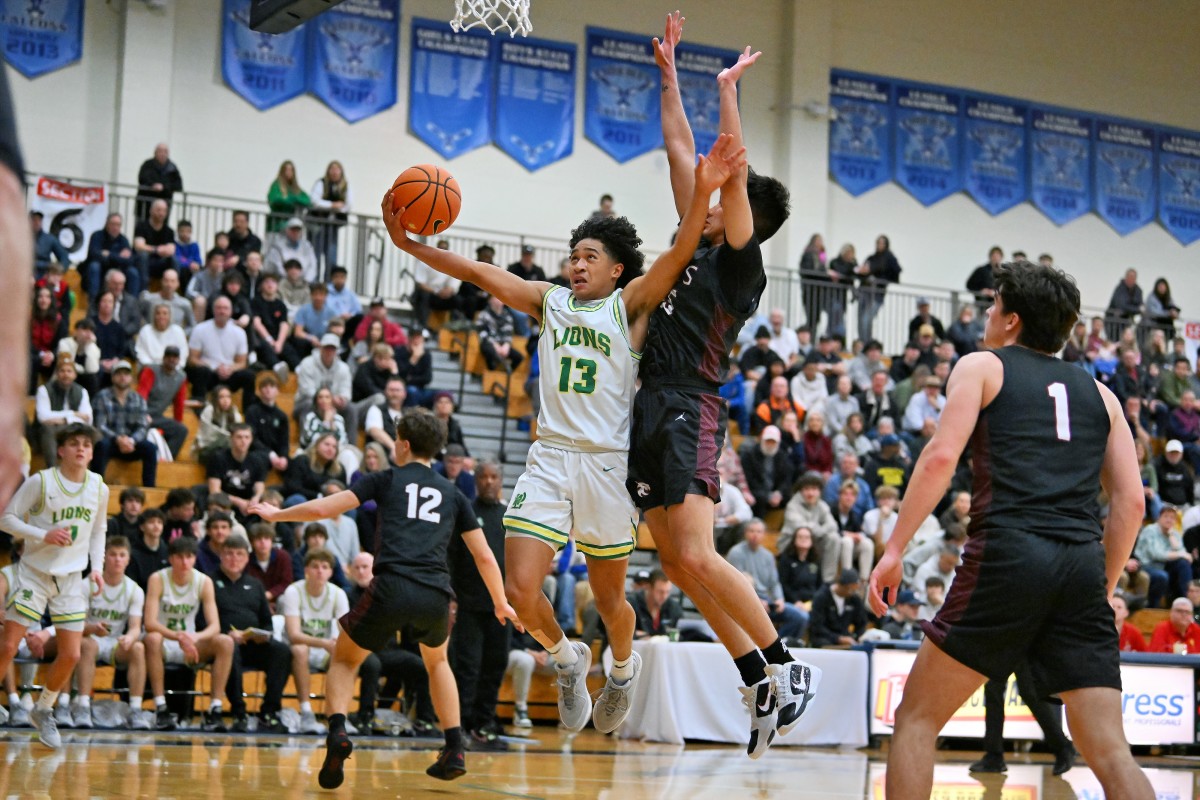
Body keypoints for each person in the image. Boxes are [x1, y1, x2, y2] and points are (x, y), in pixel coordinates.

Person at [382, 121, 746, 740]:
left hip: (607, 464)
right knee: (521, 588)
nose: (576, 265)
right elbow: (476, 275)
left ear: (616, 270)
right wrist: (413, 246)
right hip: (550, 459)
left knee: (610, 603)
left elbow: (683, 251)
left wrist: (705, 191)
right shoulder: (547, 301)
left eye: (589, 258)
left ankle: (622, 669)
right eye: (572, 256)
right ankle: (567, 657)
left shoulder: (629, 305)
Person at [867, 261, 1153, 800]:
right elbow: (1132, 504)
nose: (987, 314)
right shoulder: (1105, 396)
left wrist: (895, 547)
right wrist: (1102, 587)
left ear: (1012, 319)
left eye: (994, 304)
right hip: (1080, 564)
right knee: (1112, 751)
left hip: (1008, 554)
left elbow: (939, 458)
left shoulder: (982, 367)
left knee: (916, 720)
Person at [630, 15, 818, 761]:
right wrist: (669, 75)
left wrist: (726, 90)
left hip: (690, 402)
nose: (705, 199)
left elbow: (727, 170)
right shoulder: (692, 236)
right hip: (650, 405)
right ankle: (755, 676)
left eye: (721, 200)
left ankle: (784, 662)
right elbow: (684, 151)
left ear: (744, 219)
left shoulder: (740, 264)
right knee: (672, 562)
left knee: (700, 557)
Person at [249, 409, 521, 787]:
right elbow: (485, 555)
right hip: (435, 594)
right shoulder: (454, 493)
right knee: (438, 662)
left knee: (344, 659)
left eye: (395, 439)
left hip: (392, 585)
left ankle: (339, 733)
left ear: (404, 445)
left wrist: (277, 514)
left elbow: (324, 508)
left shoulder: (385, 478)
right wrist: (500, 600)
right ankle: (454, 746)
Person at [0, 424, 107, 747]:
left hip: (72, 579)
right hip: (34, 573)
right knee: (7, 646)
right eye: (74, 443)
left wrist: (98, 568)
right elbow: (7, 519)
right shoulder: (42, 481)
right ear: (61, 450)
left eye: (87, 444)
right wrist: (41, 535)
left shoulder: (99, 487)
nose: (81, 449)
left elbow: (99, 529)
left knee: (72, 654)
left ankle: (43, 709)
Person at [447, 461, 511, 750]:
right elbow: (452, 558)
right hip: (469, 604)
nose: (488, 481)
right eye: (483, 476)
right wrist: (451, 598)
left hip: (502, 607)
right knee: (467, 667)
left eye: (493, 476)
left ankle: (485, 723)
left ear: (500, 480)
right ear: (475, 480)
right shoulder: (466, 512)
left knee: (495, 666)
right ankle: (460, 725)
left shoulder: (510, 516)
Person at [143, 536, 236, 731]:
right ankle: (161, 707)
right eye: (180, 557)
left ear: (195, 558)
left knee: (225, 642)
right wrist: (177, 636)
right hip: (164, 640)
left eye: (189, 557)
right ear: (171, 559)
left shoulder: (204, 581)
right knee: (152, 638)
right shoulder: (158, 579)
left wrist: (194, 637)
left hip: (190, 642)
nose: (185, 562)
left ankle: (215, 709)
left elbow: (214, 627)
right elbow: (150, 622)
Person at [74, 536, 149, 729]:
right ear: (104, 557)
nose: (117, 559)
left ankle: (135, 709)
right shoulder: (87, 584)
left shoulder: (134, 590)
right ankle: (83, 705)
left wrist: (130, 637)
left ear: (128, 559)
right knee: (86, 644)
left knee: (138, 648)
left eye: (122, 555)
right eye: (113, 554)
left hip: (115, 642)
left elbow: (134, 626)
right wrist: (92, 628)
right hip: (90, 638)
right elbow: (76, 625)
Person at [279, 548, 352, 734]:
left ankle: (339, 716)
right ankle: (306, 713)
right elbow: (294, 635)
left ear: (331, 572)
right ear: (306, 570)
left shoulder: (338, 594)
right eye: (315, 566)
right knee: (300, 649)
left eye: (325, 567)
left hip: (325, 648)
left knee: (344, 654)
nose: (320, 570)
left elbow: (346, 631)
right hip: (295, 650)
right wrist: (325, 644)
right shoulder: (293, 591)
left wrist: (339, 645)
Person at [970, 663, 1076, 776]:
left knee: (1027, 691)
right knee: (995, 689)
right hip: (1005, 646)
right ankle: (993, 755)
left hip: (1017, 646)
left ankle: (1062, 746)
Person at [727, 519, 807, 642]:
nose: (755, 535)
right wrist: (756, 601)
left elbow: (774, 583)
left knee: (801, 617)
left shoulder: (768, 556)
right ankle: (771, 645)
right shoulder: (736, 553)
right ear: (745, 533)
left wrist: (779, 599)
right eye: (751, 531)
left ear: (764, 535)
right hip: (745, 602)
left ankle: (781, 643)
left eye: (759, 531)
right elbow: (737, 585)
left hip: (768, 602)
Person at [92, 360, 158, 487]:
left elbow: (143, 426)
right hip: (111, 442)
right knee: (101, 445)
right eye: (119, 373)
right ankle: (95, 486)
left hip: (131, 444)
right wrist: (118, 439)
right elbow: (100, 425)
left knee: (150, 448)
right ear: (112, 377)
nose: (123, 377)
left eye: (126, 374)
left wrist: (131, 440)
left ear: (131, 379)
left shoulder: (139, 399)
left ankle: (150, 489)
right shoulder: (102, 396)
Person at [186, 295, 255, 401]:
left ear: (231, 311)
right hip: (209, 373)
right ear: (213, 310)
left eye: (225, 308)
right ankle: (199, 404)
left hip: (229, 374)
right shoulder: (200, 329)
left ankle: (248, 412)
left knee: (249, 375)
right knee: (200, 372)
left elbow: (242, 363)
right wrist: (214, 368)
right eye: (219, 308)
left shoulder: (239, 332)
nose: (222, 311)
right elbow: (192, 359)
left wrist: (230, 369)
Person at [136, 345, 189, 458]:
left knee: (181, 430)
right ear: (163, 358)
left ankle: (166, 459)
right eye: (169, 356)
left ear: (179, 360)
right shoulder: (151, 370)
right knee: (141, 428)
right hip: (141, 413)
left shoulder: (181, 377)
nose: (172, 359)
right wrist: (143, 414)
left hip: (157, 416)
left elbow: (179, 404)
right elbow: (141, 395)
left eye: (175, 357)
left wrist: (178, 421)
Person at [854, 235, 901, 344]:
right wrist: (863, 272)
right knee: (861, 319)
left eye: (882, 243)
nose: (879, 245)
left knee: (867, 318)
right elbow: (862, 271)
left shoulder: (889, 258)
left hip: (877, 294)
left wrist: (880, 279)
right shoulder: (872, 258)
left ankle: (866, 343)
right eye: (878, 243)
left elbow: (896, 273)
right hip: (865, 291)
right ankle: (862, 342)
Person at [309, 160, 352, 274]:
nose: (334, 172)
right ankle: (314, 283)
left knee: (331, 257)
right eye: (332, 169)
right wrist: (332, 205)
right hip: (318, 224)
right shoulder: (321, 183)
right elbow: (314, 201)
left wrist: (336, 207)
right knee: (315, 256)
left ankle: (328, 284)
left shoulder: (344, 186)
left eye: (337, 169)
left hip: (332, 227)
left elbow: (347, 206)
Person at [809, 568, 868, 647]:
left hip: (845, 636)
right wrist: (838, 638)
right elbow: (816, 626)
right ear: (841, 586)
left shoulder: (854, 599)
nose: (853, 593)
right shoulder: (821, 597)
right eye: (851, 590)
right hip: (824, 637)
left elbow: (861, 622)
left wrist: (857, 637)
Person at [85, 212, 134, 299]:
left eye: (118, 225)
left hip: (118, 270)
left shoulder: (123, 240)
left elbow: (129, 260)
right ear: (107, 224)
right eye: (113, 224)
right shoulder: (97, 235)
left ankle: (133, 304)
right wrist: (118, 256)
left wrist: (109, 254)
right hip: (100, 270)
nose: (115, 227)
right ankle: (93, 303)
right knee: (94, 266)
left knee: (132, 272)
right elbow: (93, 255)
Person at [132, 199, 177, 289]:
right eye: (158, 210)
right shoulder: (141, 226)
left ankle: (172, 289)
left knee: (174, 260)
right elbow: (139, 246)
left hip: (160, 262)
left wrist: (149, 248)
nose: (161, 213)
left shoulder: (169, 231)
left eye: (164, 210)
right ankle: (144, 291)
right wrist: (157, 250)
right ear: (151, 210)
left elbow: (171, 250)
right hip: (144, 261)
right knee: (143, 255)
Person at [136, 142, 183, 220]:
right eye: (160, 151)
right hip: (145, 206)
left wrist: (164, 187)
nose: (162, 154)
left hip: (164, 207)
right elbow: (142, 179)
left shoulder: (172, 168)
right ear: (155, 152)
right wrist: (153, 185)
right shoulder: (147, 165)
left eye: (165, 152)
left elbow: (178, 185)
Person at [265, 217, 319, 283]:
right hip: (283, 282)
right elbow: (278, 267)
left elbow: (312, 265)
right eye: (293, 230)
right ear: (287, 231)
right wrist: (291, 279)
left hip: (304, 282)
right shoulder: (278, 246)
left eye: (298, 230)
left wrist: (306, 280)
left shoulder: (307, 246)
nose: (295, 232)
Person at [267, 160, 311, 232]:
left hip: (291, 224)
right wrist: (291, 201)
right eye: (287, 170)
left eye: (291, 170)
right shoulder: (276, 185)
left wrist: (293, 199)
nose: (289, 172)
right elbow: (275, 200)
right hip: (276, 224)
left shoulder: (295, 188)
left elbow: (307, 200)